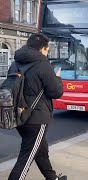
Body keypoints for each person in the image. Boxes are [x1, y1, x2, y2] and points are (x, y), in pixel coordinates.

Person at [8, 33, 66, 180]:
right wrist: (58, 77)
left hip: (19, 114)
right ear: (42, 49)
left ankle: (52, 178)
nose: (47, 53)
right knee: (26, 159)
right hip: (36, 118)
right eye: (47, 50)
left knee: (40, 149)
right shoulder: (43, 65)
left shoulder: (15, 63)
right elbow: (56, 92)